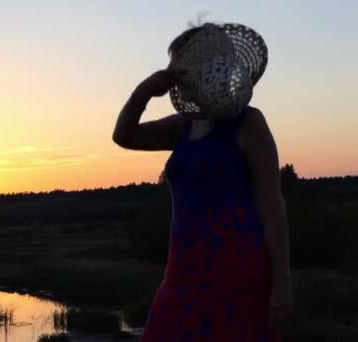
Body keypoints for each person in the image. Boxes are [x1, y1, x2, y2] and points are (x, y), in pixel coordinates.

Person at [112, 22, 293, 341]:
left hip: (241, 277)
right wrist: (145, 90)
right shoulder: (183, 126)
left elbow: (272, 206)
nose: (175, 80)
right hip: (181, 277)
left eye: (180, 70)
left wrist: (281, 284)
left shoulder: (249, 123)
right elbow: (125, 136)